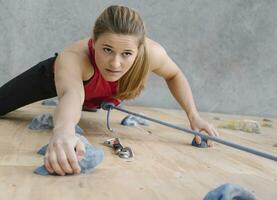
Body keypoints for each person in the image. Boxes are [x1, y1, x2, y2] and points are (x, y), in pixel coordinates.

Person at [0, 5, 219, 176]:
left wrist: (194, 116)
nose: (115, 63)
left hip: (101, 93)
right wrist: (64, 132)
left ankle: (95, 100)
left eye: (126, 54)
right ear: (93, 42)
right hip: (65, 81)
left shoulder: (153, 54)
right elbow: (71, 95)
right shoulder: (74, 58)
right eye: (107, 49)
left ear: (139, 50)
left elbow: (174, 75)